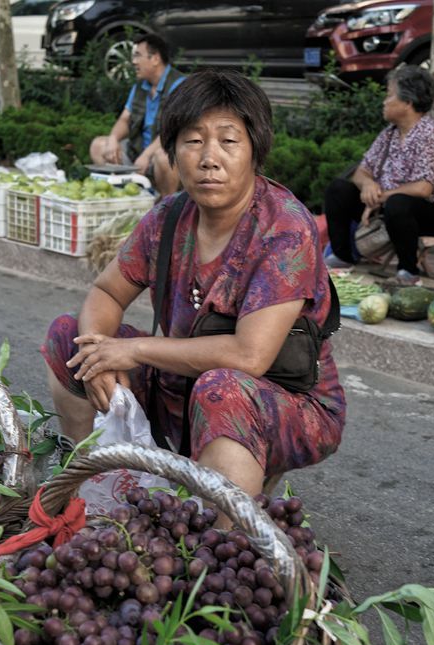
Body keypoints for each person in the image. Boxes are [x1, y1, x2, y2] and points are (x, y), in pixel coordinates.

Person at [43, 70, 346, 505]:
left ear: (255, 151)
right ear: (172, 151)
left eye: (228, 140)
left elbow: (250, 356)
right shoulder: (168, 217)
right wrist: (98, 353)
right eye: (193, 140)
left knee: (221, 390)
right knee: (67, 338)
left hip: (284, 402)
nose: (209, 158)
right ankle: (82, 491)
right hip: (183, 385)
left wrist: (131, 350)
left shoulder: (284, 228)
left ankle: (225, 538)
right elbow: (107, 293)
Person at [323, 65, 434, 286]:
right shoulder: (389, 133)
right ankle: (342, 257)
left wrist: (380, 197)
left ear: (408, 103)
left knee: (398, 203)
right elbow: (361, 171)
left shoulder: (430, 135)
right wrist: (368, 185)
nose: (384, 101)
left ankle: (408, 271)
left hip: (433, 213)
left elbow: (424, 188)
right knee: (339, 189)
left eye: (389, 95)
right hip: (389, 207)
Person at [89, 34, 185, 197]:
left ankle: (166, 207)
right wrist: (113, 139)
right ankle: (126, 196)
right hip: (138, 151)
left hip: (164, 152)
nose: (133, 61)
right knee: (99, 146)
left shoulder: (180, 86)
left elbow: (172, 130)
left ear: (154, 58)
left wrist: (146, 155)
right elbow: (125, 119)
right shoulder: (140, 86)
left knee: (163, 158)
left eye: (138, 55)